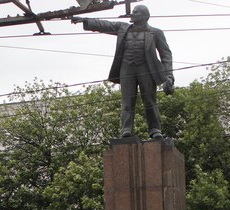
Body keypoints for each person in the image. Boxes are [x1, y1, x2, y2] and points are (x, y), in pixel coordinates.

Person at [71, 4, 174, 139]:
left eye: (136, 12)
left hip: (146, 69)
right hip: (127, 68)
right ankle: (126, 129)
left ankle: (155, 129)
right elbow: (105, 25)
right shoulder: (123, 28)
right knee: (127, 100)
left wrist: (169, 76)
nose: (132, 14)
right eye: (133, 11)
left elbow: (166, 54)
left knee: (150, 100)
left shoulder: (156, 32)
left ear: (145, 16)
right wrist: (86, 21)